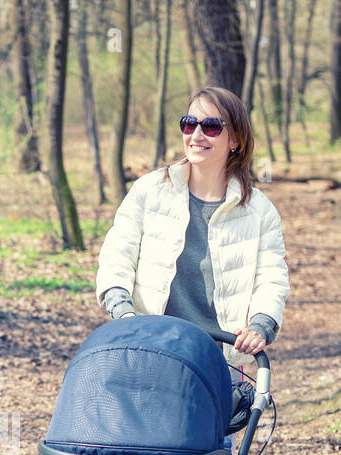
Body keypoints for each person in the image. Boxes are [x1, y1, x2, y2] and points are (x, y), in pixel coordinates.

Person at [94, 85, 290, 390]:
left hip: (220, 360)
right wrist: (123, 311)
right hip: (150, 350)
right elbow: (118, 254)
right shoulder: (149, 191)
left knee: (213, 438)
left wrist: (260, 325)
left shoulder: (259, 211)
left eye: (211, 127)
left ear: (235, 140)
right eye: (190, 123)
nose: (197, 135)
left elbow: (272, 278)